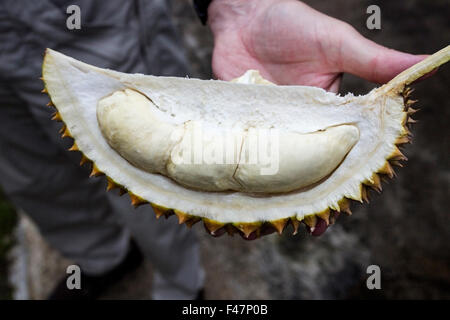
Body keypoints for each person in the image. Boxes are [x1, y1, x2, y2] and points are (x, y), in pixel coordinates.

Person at [0, 0, 426, 299]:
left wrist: (239, 4)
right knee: (35, 176)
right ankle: (101, 259)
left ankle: (182, 286)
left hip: (85, 14)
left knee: (149, 209)